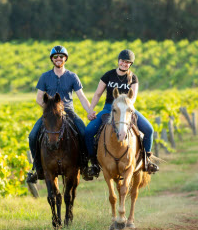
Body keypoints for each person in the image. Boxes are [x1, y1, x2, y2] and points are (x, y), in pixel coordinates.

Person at [84, 49, 159, 178]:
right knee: (88, 131)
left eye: (127, 62)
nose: (124, 64)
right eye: (123, 61)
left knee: (149, 129)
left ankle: (146, 161)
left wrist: (127, 108)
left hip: (127, 109)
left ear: (130, 64)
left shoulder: (133, 78)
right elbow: (97, 94)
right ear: (118, 61)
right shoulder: (108, 75)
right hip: (109, 108)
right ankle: (94, 163)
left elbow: (133, 97)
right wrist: (91, 109)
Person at [26, 45, 93, 184]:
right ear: (52, 59)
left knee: (84, 132)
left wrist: (90, 111)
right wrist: (50, 110)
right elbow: (39, 98)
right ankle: (37, 168)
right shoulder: (45, 77)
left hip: (68, 112)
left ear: (65, 59)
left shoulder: (72, 76)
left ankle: (85, 166)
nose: (58, 59)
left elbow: (81, 97)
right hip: (50, 114)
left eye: (61, 57)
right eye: (55, 57)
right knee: (32, 135)